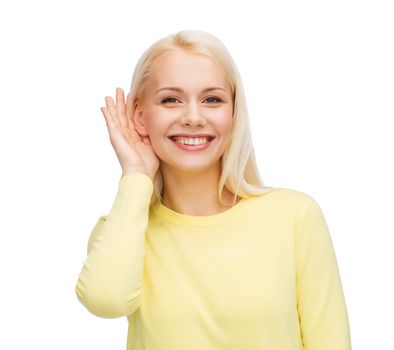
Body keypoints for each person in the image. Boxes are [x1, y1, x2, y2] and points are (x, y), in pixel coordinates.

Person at [75, 30, 352, 350]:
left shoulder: (294, 216)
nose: (193, 117)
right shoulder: (124, 229)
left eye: (212, 99)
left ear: (233, 113)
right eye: (170, 100)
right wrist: (136, 176)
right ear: (139, 116)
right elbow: (105, 300)